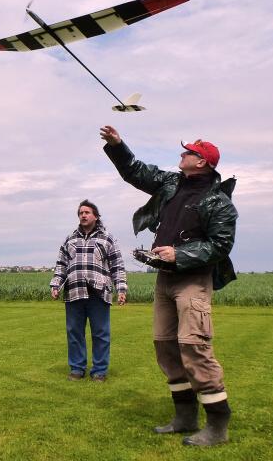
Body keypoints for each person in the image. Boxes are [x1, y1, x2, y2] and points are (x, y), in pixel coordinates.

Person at [100, 125, 238, 446]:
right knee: (165, 345)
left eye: (188, 152)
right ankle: (185, 416)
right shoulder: (171, 182)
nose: (181, 154)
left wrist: (179, 253)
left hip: (192, 279)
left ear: (202, 162)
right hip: (164, 278)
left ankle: (218, 425)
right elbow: (136, 172)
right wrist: (118, 145)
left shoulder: (219, 203)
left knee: (194, 347)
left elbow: (220, 246)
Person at [50, 199, 128, 383]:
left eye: (87, 212)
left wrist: (121, 289)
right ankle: (77, 368)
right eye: (80, 213)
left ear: (96, 216)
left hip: (99, 293)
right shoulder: (70, 239)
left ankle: (99, 371)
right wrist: (55, 284)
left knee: (101, 333)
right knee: (74, 332)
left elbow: (117, 265)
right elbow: (61, 265)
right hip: (74, 291)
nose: (83, 215)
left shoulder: (107, 238)